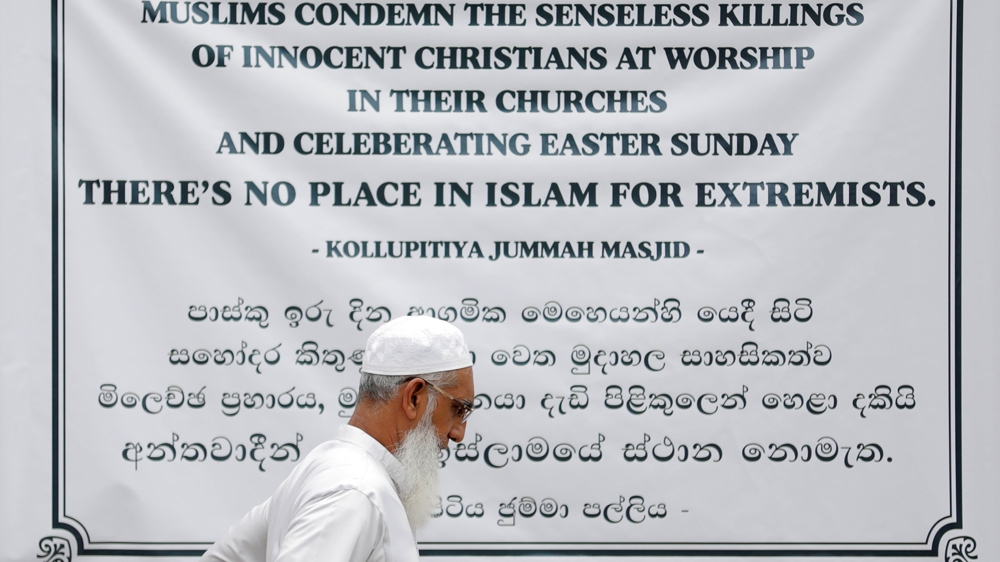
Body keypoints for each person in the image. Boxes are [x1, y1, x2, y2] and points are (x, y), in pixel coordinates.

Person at [202, 316, 475, 562]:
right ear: (414, 397)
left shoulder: (330, 468)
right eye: (458, 409)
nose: (458, 434)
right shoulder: (354, 490)